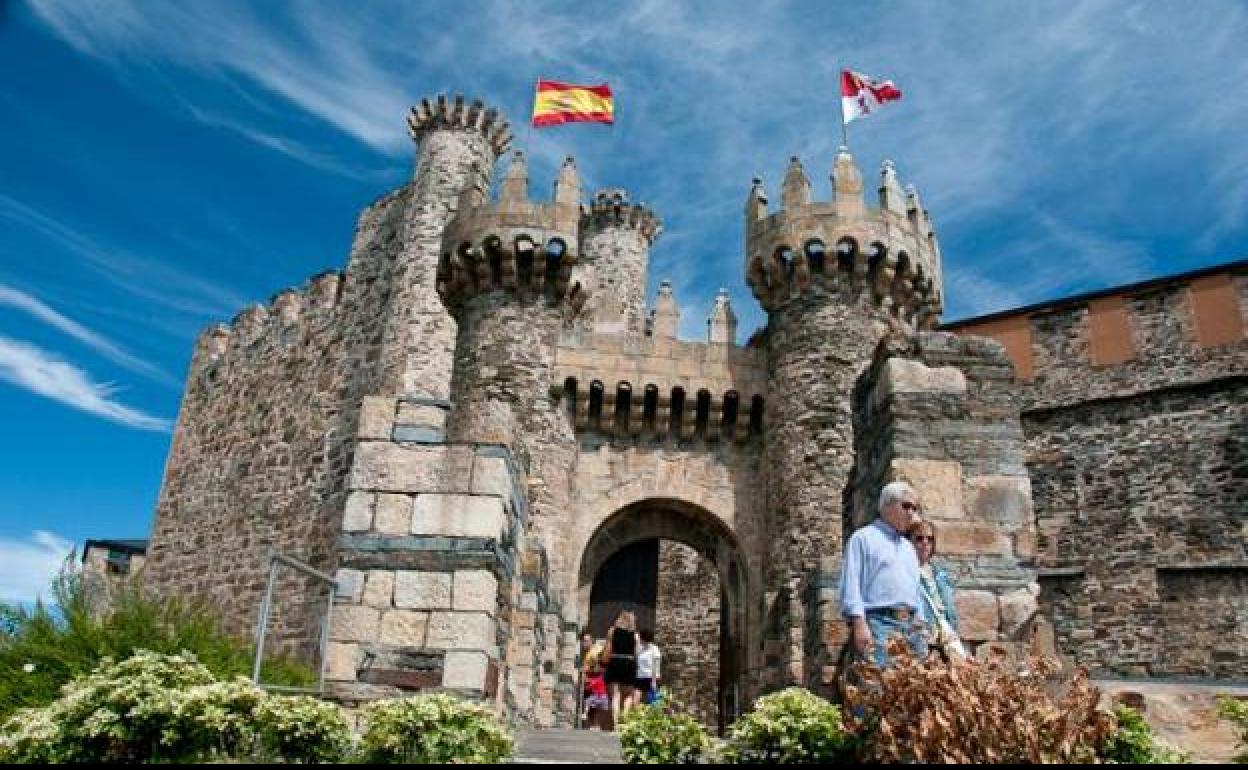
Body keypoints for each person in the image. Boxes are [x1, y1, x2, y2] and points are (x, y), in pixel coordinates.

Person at [839, 480, 929, 668]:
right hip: (879, 623)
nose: (911, 512)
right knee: (878, 687)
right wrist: (859, 624)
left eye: (914, 507)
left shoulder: (908, 548)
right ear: (887, 505)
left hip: (912, 627)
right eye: (906, 506)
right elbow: (851, 584)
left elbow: (916, 589)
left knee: (913, 692)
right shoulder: (863, 539)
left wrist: (921, 624)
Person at [910, 518, 966, 662]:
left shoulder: (940, 574)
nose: (925, 543)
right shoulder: (907, 573)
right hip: (922, 636)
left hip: (945, 633)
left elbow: (948, 607)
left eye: (930, 539)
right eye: (919, 538)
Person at [603, 609, 639, 727]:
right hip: (629, 663)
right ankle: (624, 719)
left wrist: (605, 661)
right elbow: (636, 654)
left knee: (615, 695)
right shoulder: (635, 636)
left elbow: (608, 649)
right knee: (628, 695)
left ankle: (616, 724)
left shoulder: (612, 631)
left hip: (615, 661)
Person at [581, 637, 610, 730]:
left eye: (586, 641)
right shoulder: (588, 653)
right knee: (592, 703)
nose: (583, 643)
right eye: (583, 641)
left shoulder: (596, 650)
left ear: (591, 641)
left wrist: (590, 670)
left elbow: (601, 664)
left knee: (596, 703)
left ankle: (597, 724)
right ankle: (592, 724)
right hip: (590, 680)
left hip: (597, 680)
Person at [633, 629, 661, 706]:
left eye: (640, 637)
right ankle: (636, 715)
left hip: (651, 677)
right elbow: (635, 636)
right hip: (640, 677)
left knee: (652, 701)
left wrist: (654, 681)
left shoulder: (654, 649)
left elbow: (656, 666)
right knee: (635, 699)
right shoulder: (639, 649)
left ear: (643, 638)